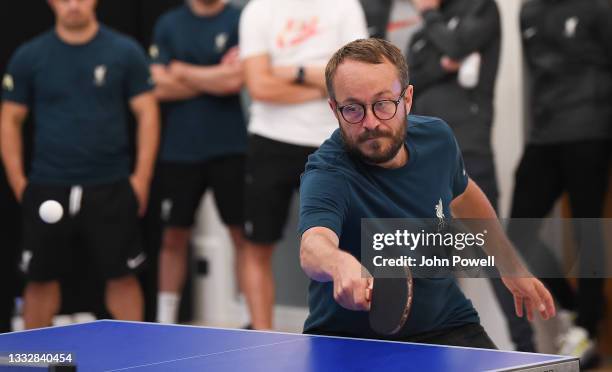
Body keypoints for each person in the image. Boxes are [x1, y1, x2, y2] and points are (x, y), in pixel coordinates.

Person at [298, 38, 555, 346]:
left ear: (407, 99)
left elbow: (465, 196)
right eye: (352, 109)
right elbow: (314, 244)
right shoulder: (328, 172)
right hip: (350, 340)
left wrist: (509, 265)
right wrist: (339, 264)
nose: (370, 122)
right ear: (334, 109)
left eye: (383, 104)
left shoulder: (437, 139)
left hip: (448, 323)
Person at [0, 0, 159, 329]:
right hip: (48, 183)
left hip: (111, 184)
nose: (73, 4)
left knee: (123, 276)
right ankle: (35, 359)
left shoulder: (124, 50)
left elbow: (147, 113)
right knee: (39, 278)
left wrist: (141, 179)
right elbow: (10, 119)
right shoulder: (30, 55)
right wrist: (19, 184)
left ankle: (139, 358)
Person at [405, 0, 537, 352]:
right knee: (433, 257)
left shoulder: (481, 9)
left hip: (470, 153)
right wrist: (443, 64)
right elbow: (408, 83)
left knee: (492, 253)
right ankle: (441, 346)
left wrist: (435, 23)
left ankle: (528, 349)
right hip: (422, 160)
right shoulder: (421, 36)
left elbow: (456, 46)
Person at [239, 0, 368, 329]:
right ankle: (260, 339)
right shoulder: (258, 10)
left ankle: (350, 337)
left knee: (351, 246)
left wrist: (292, 72)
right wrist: (324, 83)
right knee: (257, 245)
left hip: (332, 143)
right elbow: (260, 87)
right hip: (270, 140)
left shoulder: (344, 7)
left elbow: (355, 81)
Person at [508, 0, 612, 362]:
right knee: (516, 231)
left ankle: (586, 327)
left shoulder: (597, 7)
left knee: (588, 229)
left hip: (590, 131)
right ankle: (571, 305)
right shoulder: (529, 11)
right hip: (543, 135)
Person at [149, 0, 246, 325]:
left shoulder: (238, 19)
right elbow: (157, 87)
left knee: (241, 235)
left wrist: (182, 70)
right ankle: (166, 320)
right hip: (179, 150)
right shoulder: (168, 23)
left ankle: (249, 316)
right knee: (173, 236)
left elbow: (235, 80)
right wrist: (213, 77)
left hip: (230, 147)